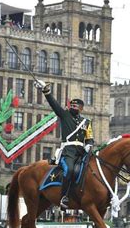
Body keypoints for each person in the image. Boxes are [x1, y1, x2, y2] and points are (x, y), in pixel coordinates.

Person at [34, 80, 94, 208]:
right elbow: (54, 104)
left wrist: (89, 144)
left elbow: (89, 138)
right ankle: (64, 197)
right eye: (71, 106)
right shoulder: (64, 115)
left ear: (81, 108)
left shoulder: (86, 122)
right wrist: (46, 91)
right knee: (69, 170)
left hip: (82, 152)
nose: (72, 107)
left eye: (75, 106)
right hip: (68, 152)